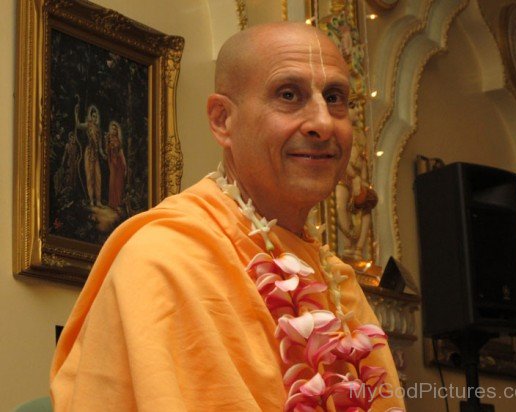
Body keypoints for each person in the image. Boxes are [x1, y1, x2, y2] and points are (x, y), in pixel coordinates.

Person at [51, 22, 405, 411]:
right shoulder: (163, 261)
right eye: (289, 95)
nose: (323, 122)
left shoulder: (338, 282)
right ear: (222, 120)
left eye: (335, 97)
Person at [74, 102, 106, 207]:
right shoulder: (88, 126)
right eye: (93, 116)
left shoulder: (98, 130)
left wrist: (103, 154)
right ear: (90, 116)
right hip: (88, 153)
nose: (94, 118)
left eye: (96, 116)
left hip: (96, 154)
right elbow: (78, 125)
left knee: (98, 176)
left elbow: (100, 147)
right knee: (89, 176)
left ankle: (98, 201)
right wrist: (76, 113)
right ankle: (91, 200)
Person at [105, 121, 127, 210]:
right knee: (112, 181)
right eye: (112, 129)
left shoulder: (118, 140)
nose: (114, 131)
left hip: (119, 163)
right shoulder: (108, 139)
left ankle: (118, 203)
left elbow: (121, 153)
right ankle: (112, 203)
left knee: (119, 182)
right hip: (112, 163)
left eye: (115, 129)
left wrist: (125, 165)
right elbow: (108, 152)